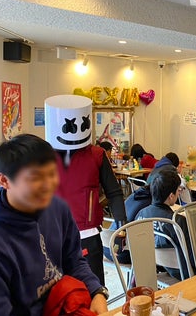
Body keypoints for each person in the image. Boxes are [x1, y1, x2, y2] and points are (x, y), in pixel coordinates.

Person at [0, 134, 108, 315]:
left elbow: (75, 261)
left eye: (52, 174)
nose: (50, 185)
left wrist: (97, 292)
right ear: (4, 180)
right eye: (36, 178)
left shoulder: (57, 208)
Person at [45, 95, 127, 286]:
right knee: (55, 291)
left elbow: (114, 192)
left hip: (87, 234)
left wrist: (121, 225)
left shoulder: (97, 155)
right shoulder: (43, 156)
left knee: (93, 289)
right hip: (52, 235)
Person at [138, 170, 194, 280]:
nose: (179, 193)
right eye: (178, 190)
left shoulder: (141, 215)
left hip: (154, 268)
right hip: (182, 273)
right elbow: (192, 256)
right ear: (171, 196)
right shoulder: (176, 221)